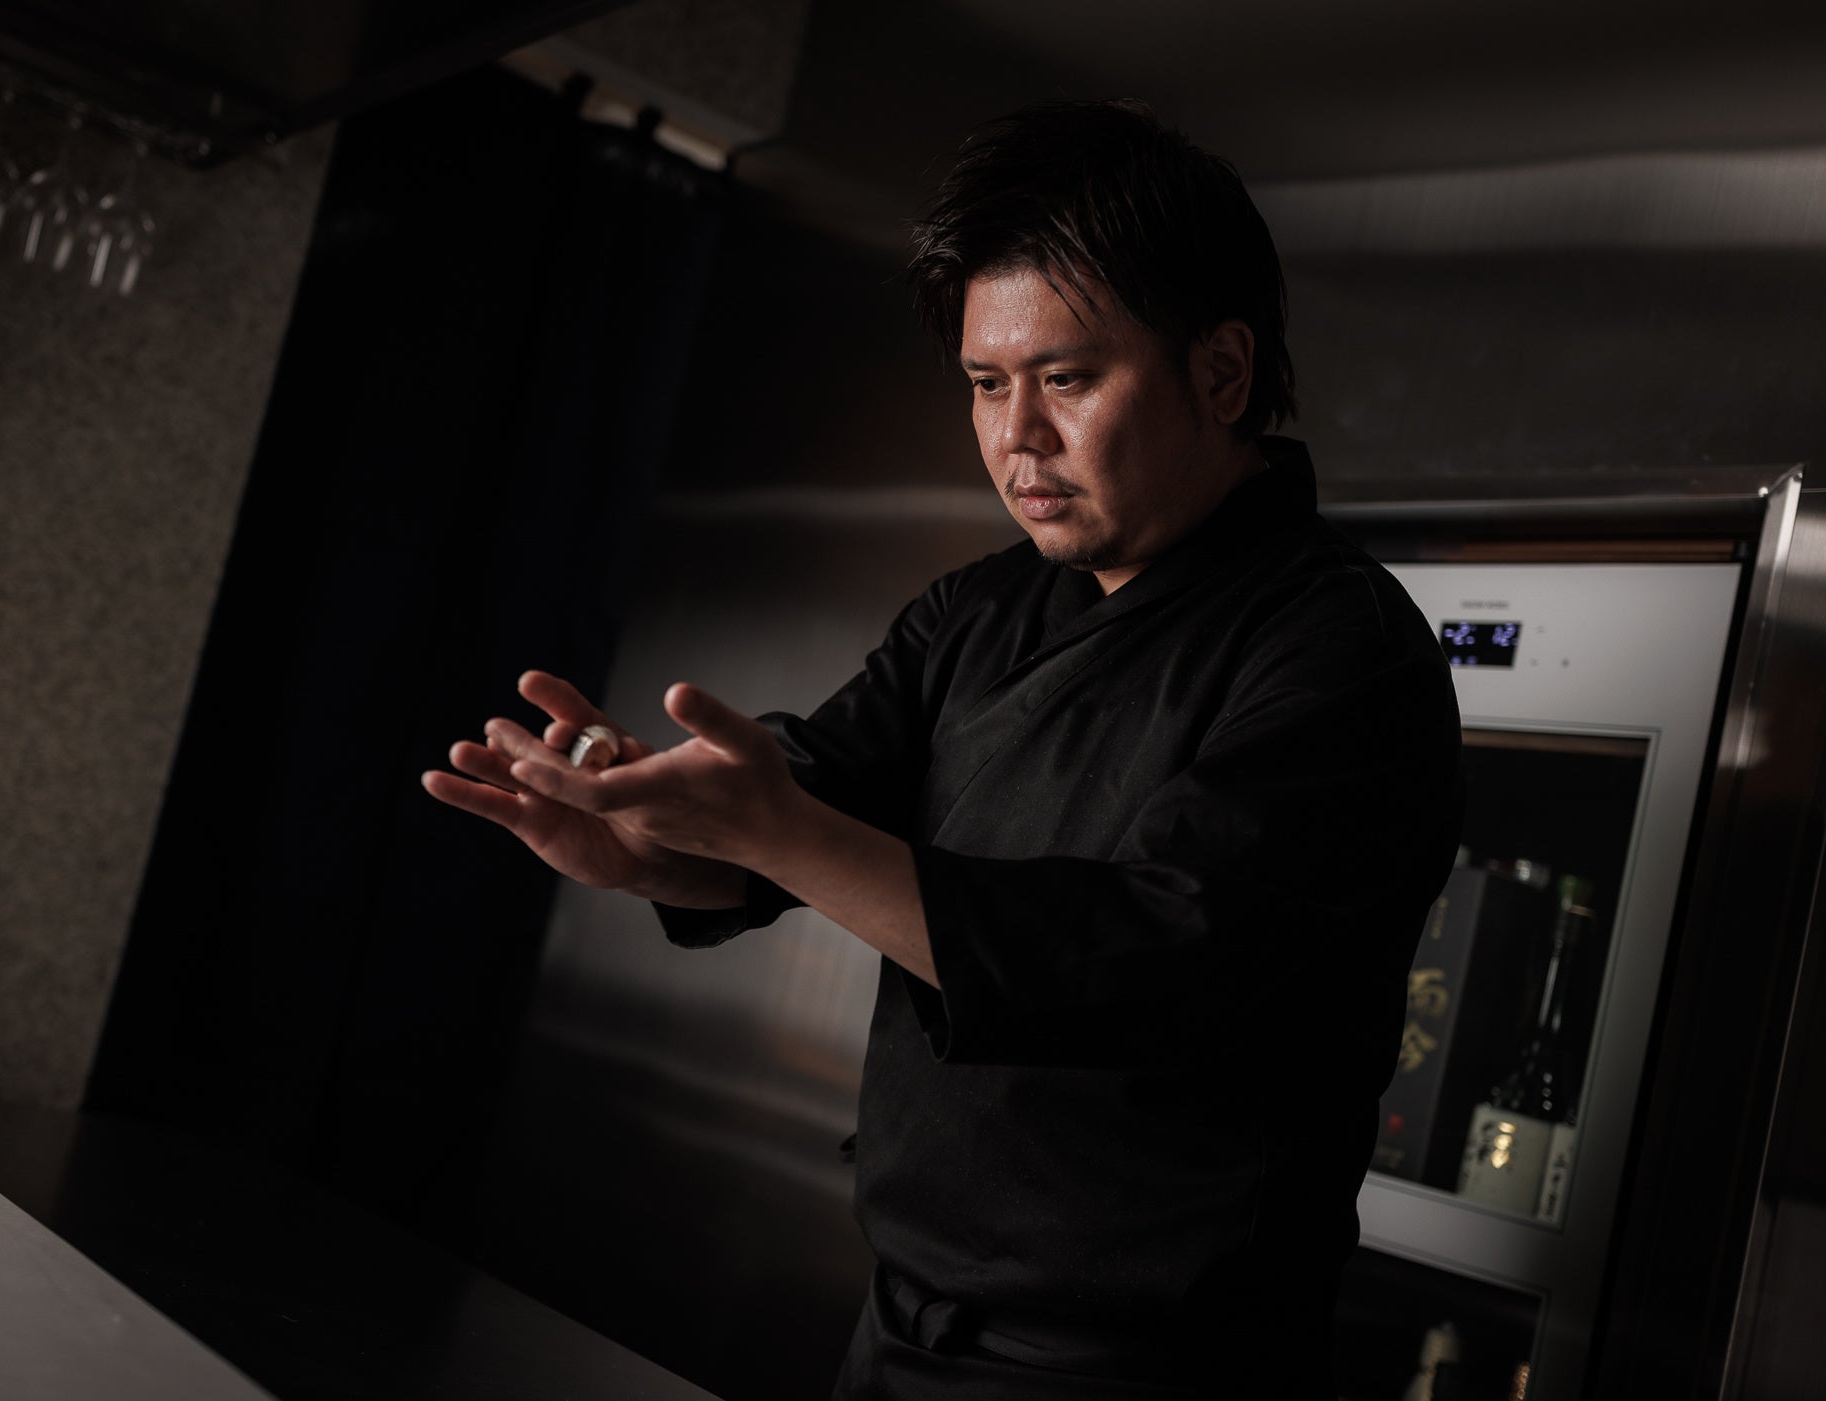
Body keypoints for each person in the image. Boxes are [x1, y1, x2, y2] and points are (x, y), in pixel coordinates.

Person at [423, 101, 1463, 1401]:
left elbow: (1150, 961)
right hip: (894, 1328)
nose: (1016, 436)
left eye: (1066, 379)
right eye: (985, 383)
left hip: (1144, 1372)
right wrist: (647, 847)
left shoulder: (1338, 649)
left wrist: (775, 828)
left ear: (1221, 372)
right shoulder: (981, 610)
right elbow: (808, 806)